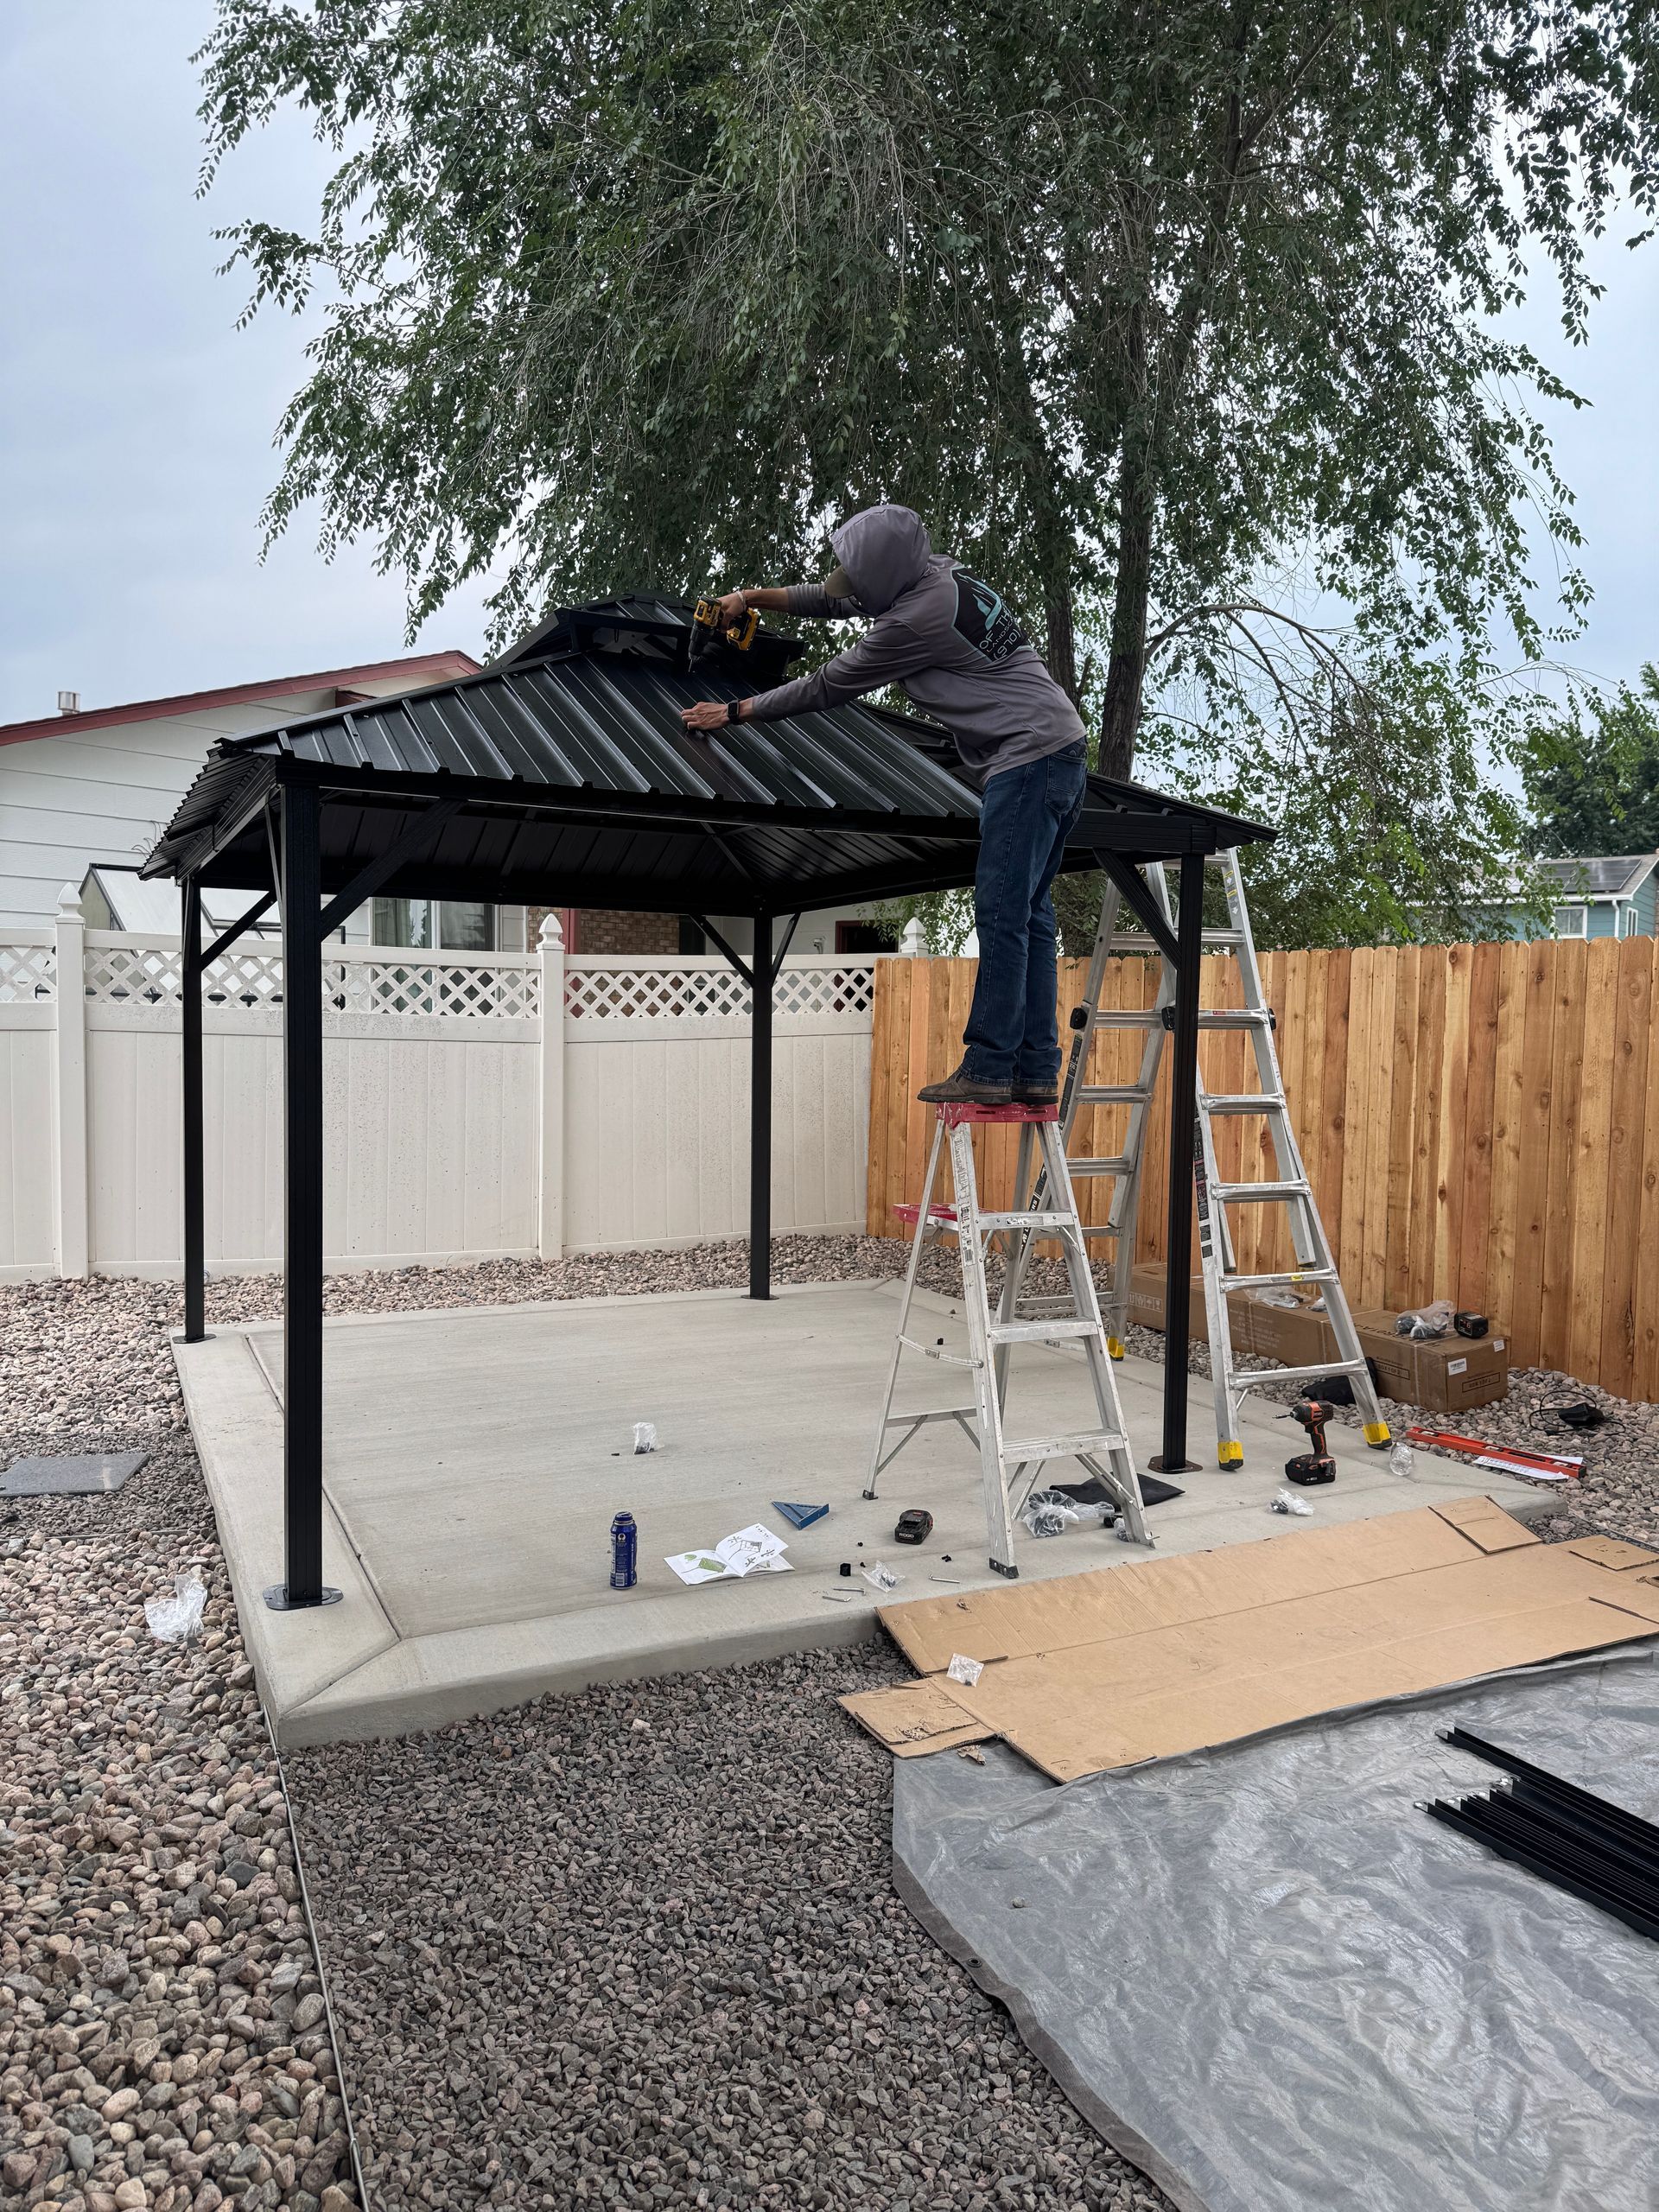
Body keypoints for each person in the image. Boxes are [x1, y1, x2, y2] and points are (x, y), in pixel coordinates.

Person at [680, 504, 1089, 1107]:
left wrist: (736, 711)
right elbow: (831, 598)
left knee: (1003, 913)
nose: (849, 589)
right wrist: (752, 598)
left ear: (887, 576)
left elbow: (827, 686)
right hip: (1061, 753)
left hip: (1026, 760)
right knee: (1029, 915)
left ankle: (990, 1066)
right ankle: (1033, 1067)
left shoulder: (916, 621)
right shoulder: (938, 574)